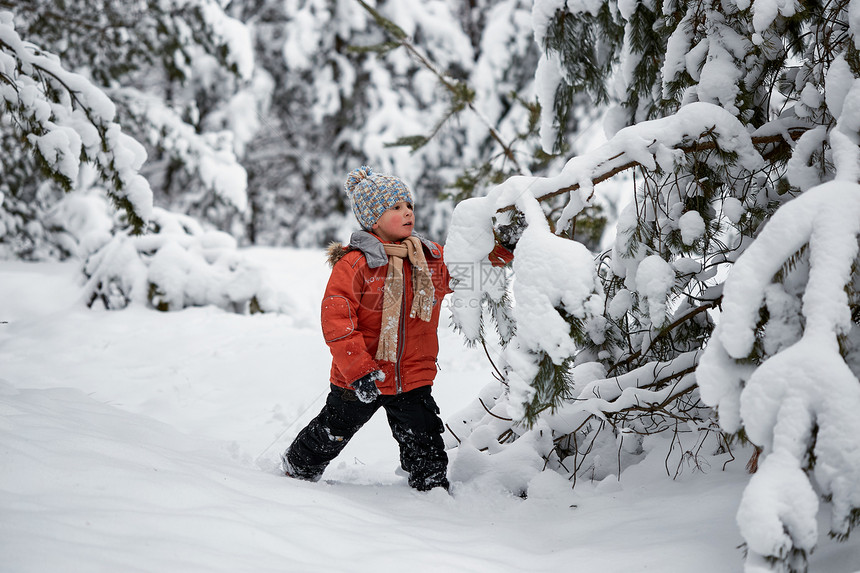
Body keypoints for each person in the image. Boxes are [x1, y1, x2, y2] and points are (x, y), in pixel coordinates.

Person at [281, 165, 512, 491]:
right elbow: (337, 320)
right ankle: (296, 469)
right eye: (396, 207)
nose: (407, 213)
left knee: (424, 437)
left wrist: (504, 250)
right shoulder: (355, 264)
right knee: (334, 428)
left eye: (409, 206)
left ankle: (429, 490)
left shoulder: (430, 258)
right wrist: (358, 368)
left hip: (412, 376)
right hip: (362, 376)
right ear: (373, 219)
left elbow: (470, 269)